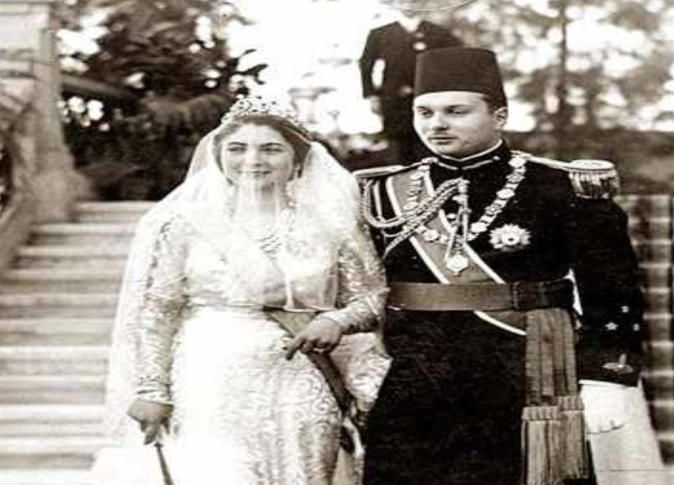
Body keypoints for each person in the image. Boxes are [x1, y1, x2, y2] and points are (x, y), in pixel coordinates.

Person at [357, 47, 652, 485]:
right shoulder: (382, 193)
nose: (437, 124)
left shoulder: (560, 187)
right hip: (415, 382)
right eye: (425, 112)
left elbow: (612, 289)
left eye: (456, 111)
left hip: (524, 376)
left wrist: (608, 377)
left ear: (500, 116)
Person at [93, 96, 391, 485]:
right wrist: (152, 389)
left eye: (271, 149)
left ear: (298, 159)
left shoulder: (332, 225)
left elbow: (372, 297)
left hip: (300, 380)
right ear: (218, 156)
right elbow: (157, 310)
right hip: (207, 379)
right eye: (237, 148)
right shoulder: (186, 225)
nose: (252, 159)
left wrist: (337, 320)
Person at [359, 7, 462, 164]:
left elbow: (456, 60)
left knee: (430, 141)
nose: (408, 4)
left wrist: (448, 91)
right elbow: (366, 64)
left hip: (428, 96)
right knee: (398, 146)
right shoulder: (380, 33)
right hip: (393, 98)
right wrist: (371, 95)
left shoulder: (437, 32)